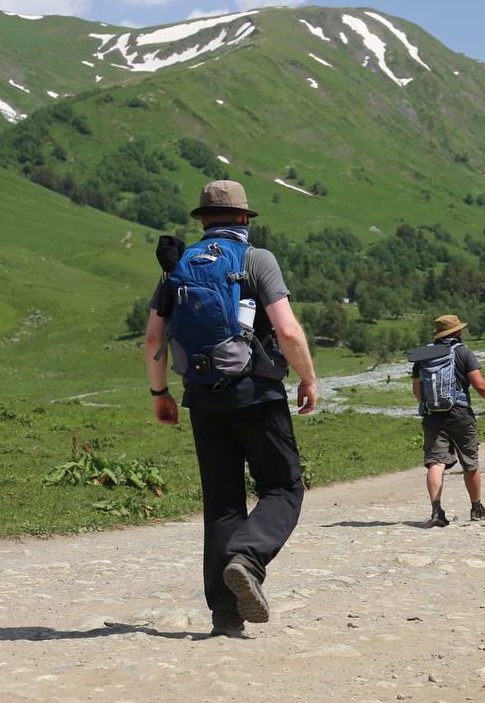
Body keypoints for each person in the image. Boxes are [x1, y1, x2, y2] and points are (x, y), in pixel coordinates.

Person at [144, 180, 317, 638]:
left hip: (202, 396)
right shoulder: (256, 259)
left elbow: (153, 338)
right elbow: (287, 330)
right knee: (283, 486)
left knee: (222, 503)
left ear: (202, 220)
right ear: (244, 218)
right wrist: (308, 378)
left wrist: (160, 393)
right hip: (256, 392)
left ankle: (225, 616)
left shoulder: (178, 265)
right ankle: (248, 558)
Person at [411, 314, 485, 527]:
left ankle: (436, 510)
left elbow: (417, 389)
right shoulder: (463, 352)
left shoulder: (424, 354)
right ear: (457, 332)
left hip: (432, 415)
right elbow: (480, 386)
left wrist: (427, 405)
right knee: (470, 462)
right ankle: (477, 508)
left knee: (435, 462)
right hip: (460, 412)